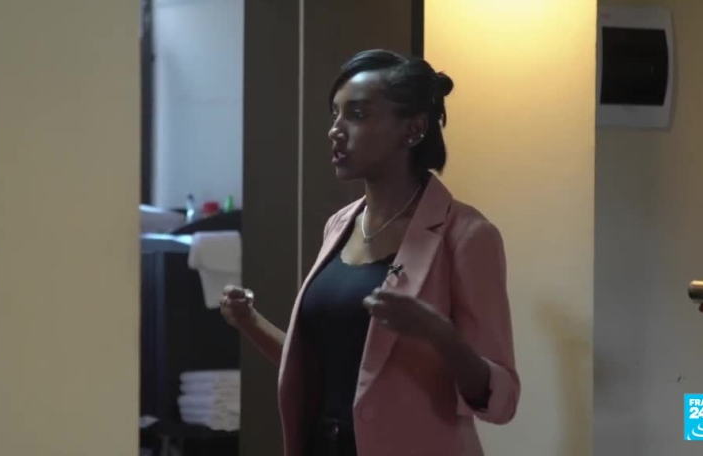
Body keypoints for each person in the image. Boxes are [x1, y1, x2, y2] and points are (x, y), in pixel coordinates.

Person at [221, 49, 520, 456]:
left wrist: (440, 334)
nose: (335, 130)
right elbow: (321, 367)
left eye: (357, 115)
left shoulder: (467, 235)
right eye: (335, 114)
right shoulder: (339, 225)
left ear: (413, 130)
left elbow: (503, 399)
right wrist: (249, 321)